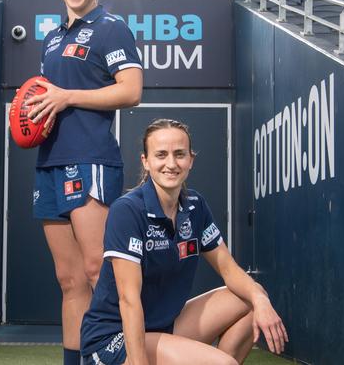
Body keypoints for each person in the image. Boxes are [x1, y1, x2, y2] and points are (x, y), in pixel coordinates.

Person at [80, 119, 288, 365]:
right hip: (115, 337)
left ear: (191, 160)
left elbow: (229, 270)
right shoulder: (128, 210)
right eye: (161, 155)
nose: (171, 164)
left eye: (179, 154)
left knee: (251, 299)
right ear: (146, 161)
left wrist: (262, 300)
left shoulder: (195, 206)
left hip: (163, 326)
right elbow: (129, 300)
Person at [27, 0, 143, 365]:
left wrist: (67, 96)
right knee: (69, 278)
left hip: (90, 159)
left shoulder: (111, 29)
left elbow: (131, 92)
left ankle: (130, 357)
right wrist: (30, 114)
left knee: (100, 272)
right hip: (49, 161)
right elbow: (46, 95)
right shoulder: (52, 37)